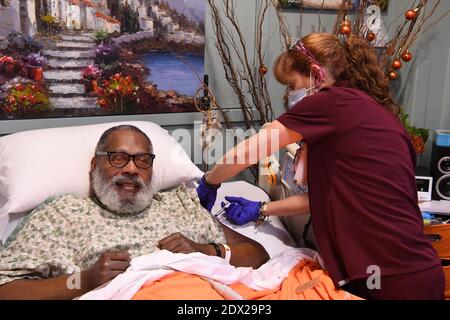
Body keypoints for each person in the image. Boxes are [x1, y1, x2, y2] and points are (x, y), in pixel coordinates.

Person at [196, 33, 445, 300]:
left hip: (388, 274)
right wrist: (263, 209)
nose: (290, 95)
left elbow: (249, 151)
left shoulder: (329, 103)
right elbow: (329, 196)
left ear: (316, 74)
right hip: (412, 270)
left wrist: (210, 180)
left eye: (291, 84)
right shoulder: (364, 109)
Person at [0, 125, 269, 300]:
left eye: (142, 160)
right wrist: (85, 280)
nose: (131, 169)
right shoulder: (62, 214)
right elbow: (8, 290)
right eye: (118, 158)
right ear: (95, 164)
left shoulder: (179, 203)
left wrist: (207, 250)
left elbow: (258, 254)